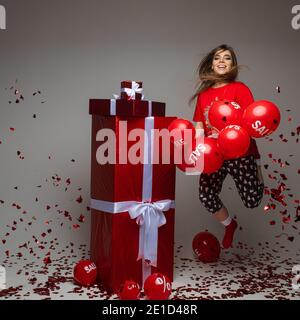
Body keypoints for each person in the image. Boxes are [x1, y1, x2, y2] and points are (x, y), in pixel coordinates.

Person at [190, 44, 264, 249]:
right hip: (215, 154)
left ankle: (258, 167)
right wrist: (196, 148)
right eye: (217, 58)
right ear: (211, 64)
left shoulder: (240, 89)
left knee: (252, 200)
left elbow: (250, 120)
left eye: (227, 58)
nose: (221, 61)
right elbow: (198, 126)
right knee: (206, 195)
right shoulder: (203, 95)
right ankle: (230, 225)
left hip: (240, 152)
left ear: (233, 64)